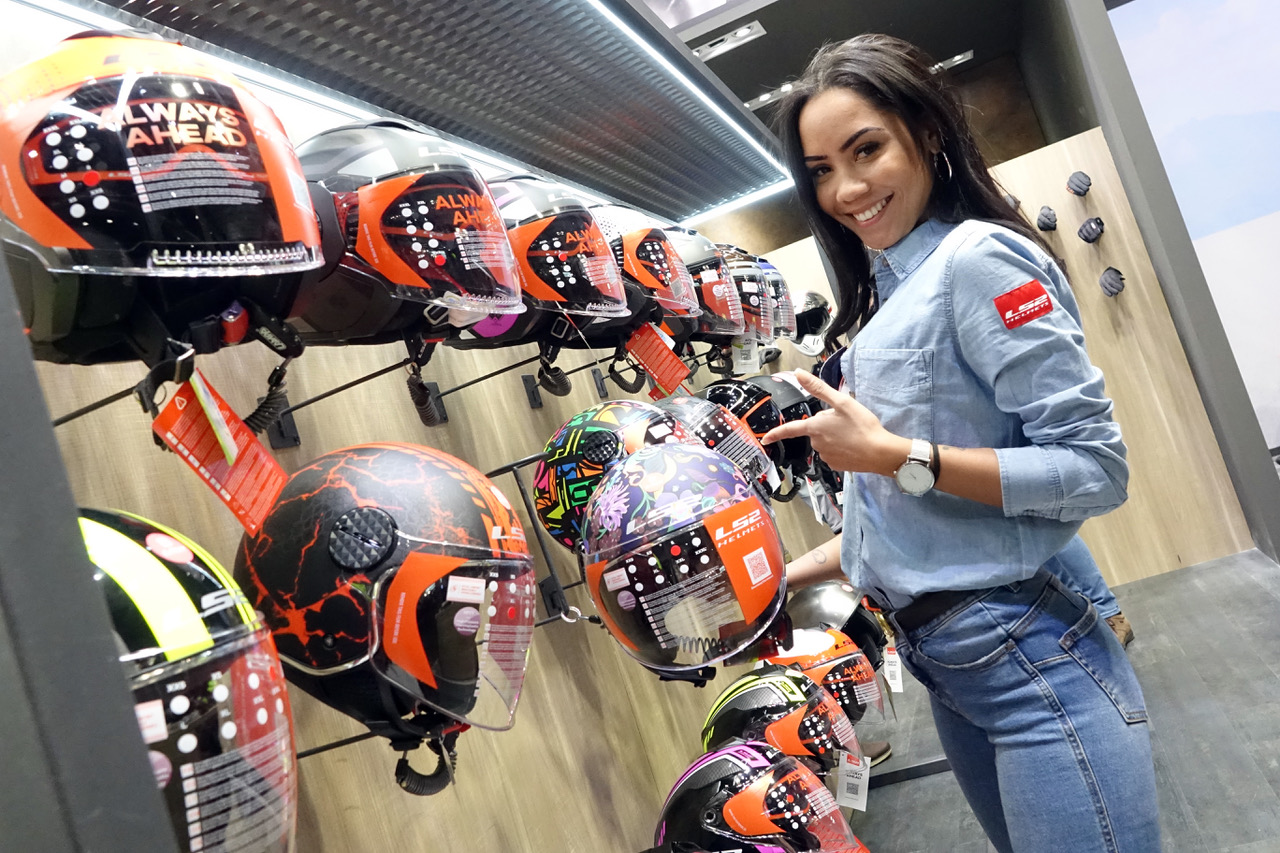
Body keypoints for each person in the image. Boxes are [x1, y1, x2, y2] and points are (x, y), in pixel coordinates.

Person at [761, 34, 1160, 852]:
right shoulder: (891, 293)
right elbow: (900, 523)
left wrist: (895, 454)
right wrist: (771, 582)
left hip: (1031, 667)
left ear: (928, 132)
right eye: (821, 170)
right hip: (955, 670)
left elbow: (1094, 468)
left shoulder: (976, 262)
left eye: (866, 150)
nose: (846, 189)